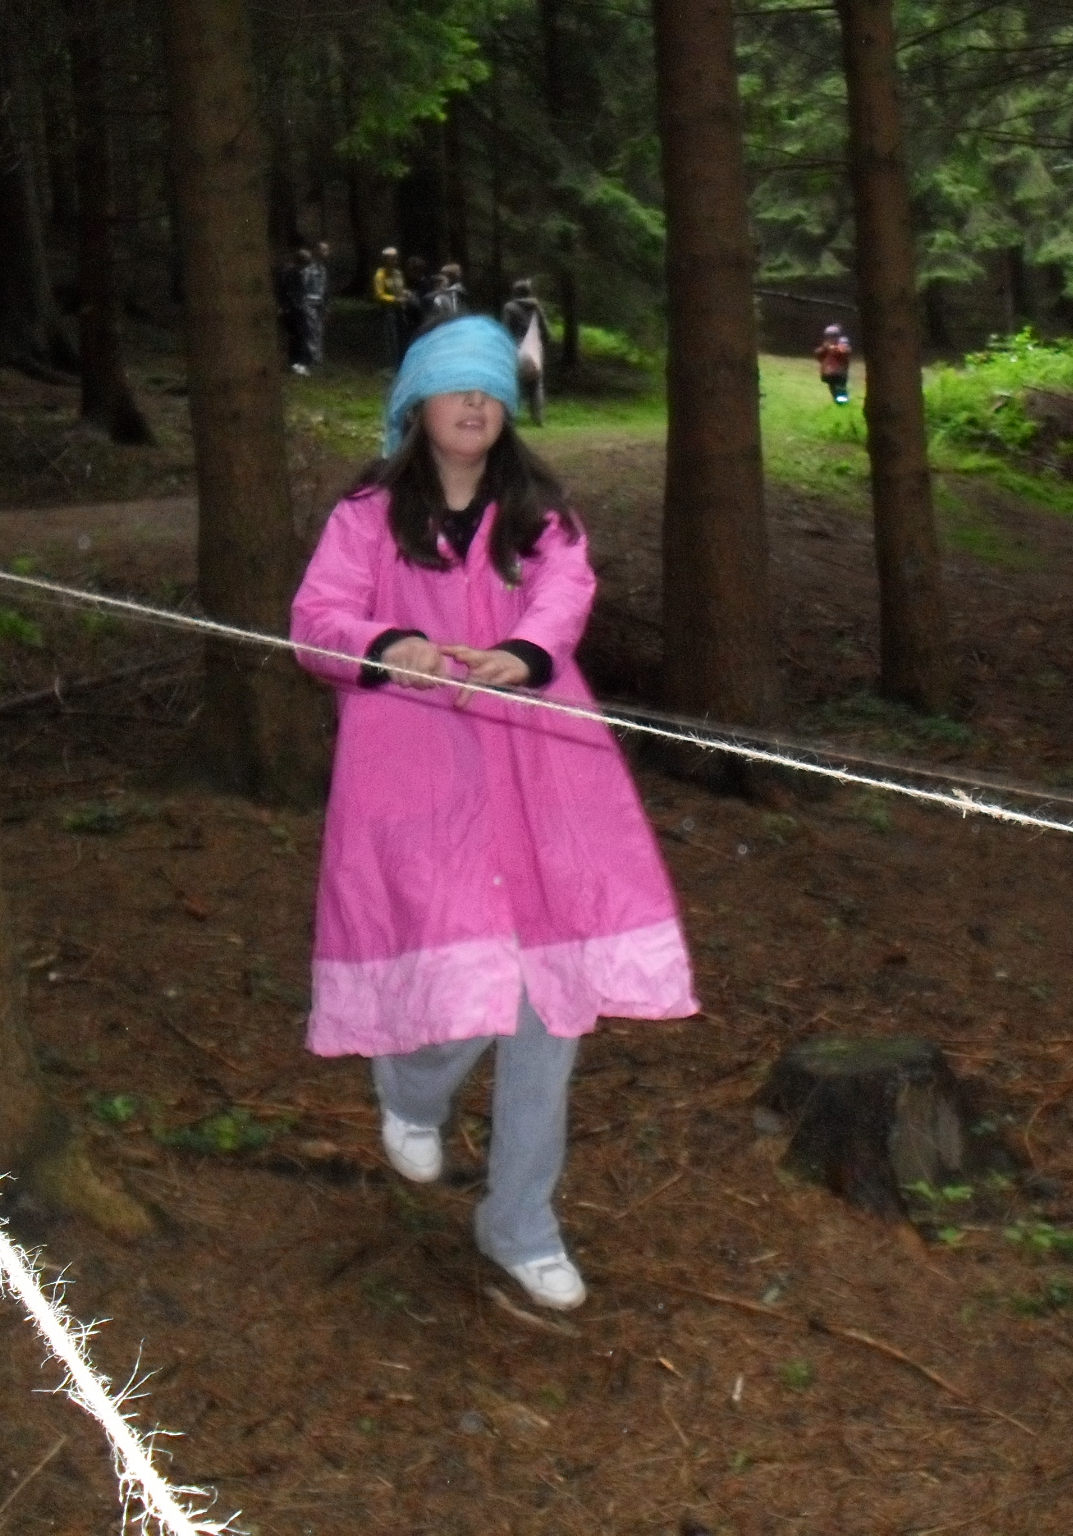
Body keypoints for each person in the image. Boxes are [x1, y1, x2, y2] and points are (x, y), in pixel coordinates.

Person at [290, 316, 698, 1312]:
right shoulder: (368, 514)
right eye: (454, 386)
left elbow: (564, 594)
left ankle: (520, 1221)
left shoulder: (539, 516)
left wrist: (522, 652)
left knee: (547, 999)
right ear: (416, 404)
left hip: (542, 773)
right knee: (465, 968)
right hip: (417, 774)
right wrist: (387, 642)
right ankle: (411, 1087)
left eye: (490, 390)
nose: (474, 404)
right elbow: (317, 618)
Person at [501, 278, 549, 426]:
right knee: (536, 383)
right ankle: (538, 418)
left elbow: (506, 328)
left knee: (514, 383)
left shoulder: (509, 307)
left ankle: (511, 417)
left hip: (516, 346)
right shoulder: (536, 307)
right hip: (534, 346)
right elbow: (545, 330)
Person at [278, 243, 314, 374]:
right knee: (301, 336)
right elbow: (294, 292)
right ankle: (299, 363)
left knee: (296, 336)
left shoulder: (287, 271)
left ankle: (295, 362)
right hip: (295, 309)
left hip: (290, 308)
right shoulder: (294, 273)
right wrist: (297, 306)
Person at [373, 247, 408, 365]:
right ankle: (392, 362)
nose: (394, 260)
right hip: (388, 309)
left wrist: (404, 293)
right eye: (391, 258)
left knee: (402, 334)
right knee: (391, 336)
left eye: (395, 258)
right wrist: (394, 299)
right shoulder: (380, 275)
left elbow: (401, 288)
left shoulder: (398, 273)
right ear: (385, 259)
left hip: (400, 308)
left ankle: (402, 359)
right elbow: (379, 295)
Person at [301, 240, 332, 368]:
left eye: (327, 250)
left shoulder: (323, 269)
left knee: (319, 330)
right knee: (311, 330)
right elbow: (303, 285)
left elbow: (324, 288)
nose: (326, 253)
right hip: (309, 302)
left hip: (320, 303)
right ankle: (311, 357)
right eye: (323, 250)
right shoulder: (309, 268)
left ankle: (317, 357)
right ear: (316, 251)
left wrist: (326, 305)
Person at [816, 323, 852, 404]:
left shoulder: (842, 343)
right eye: (829, 336)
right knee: (833, 387)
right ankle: (838, 401)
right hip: (830, 372)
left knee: (840, 387)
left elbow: (844, 352)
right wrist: (824, 349)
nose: (830, 338)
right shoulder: (825, 346)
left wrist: (834, 348)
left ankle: (842, 402)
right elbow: (819, 355)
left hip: (839, 372)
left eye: (832, 336)